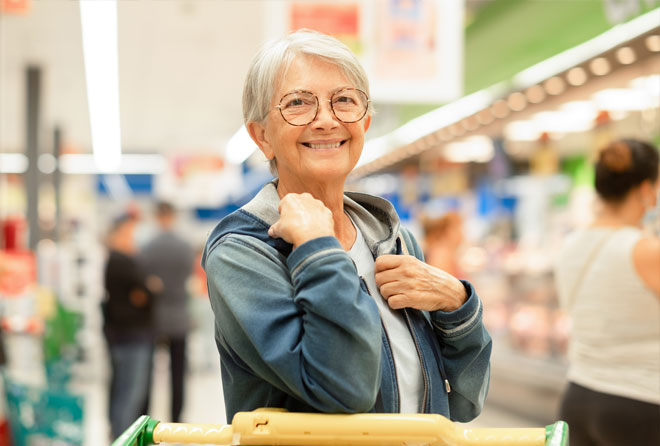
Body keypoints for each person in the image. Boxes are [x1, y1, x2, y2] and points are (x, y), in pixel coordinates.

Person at [201, 30, 491, 422]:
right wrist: (318, 247)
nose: (326, 120)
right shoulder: (244, 253)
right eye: (298, 103)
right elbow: (345, 389)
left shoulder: (392, 240)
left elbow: (463, 401)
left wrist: (457, 304)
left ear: (364, 122)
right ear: (261, 136)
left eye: (344, 101)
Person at [554, 139, 660, 446]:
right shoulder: (645, 249)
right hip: (640, 402)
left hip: (579, 396)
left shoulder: (571, 244)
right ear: (645, 190)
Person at [139, 201, 194, 423]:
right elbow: (188, 275)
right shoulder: (185, 247)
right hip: (179, 315)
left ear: (157, 216)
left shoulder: (147, 247)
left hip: (153, 317)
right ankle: (176, 419)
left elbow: (143, 279)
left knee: (146, 372)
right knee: (178, 373)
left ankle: (144, 416)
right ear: (173, 216)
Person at [102, 212, 155, 438]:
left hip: (126, 336)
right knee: (129, 394)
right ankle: (124, 437)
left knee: (124, 391)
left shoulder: (120, 260)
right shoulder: (120, 261)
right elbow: (147, 292)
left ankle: (120, 435)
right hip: (131, 337)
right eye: (129, 232)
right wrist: (147, 291)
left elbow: (144, 293)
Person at [422, 211, 465, 278]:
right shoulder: (441, 255)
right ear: (448, 231)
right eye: (458, 229)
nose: (462, 234)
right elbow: (444, 285)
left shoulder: (445, 253)